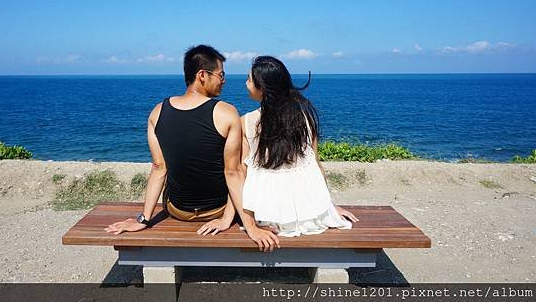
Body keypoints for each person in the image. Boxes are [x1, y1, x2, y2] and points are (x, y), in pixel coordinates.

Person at [105, 45, 279, 251]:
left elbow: (159, 168)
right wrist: (251, 227)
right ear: (202, 75)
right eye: (221, 75)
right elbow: (233, 172)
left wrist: (143, 219)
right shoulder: (226, 112)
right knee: (246, 163)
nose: (224, 80)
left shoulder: (157, 112)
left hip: (178, 210)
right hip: (218, 209)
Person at [230, 56, 357, 236]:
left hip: (266, 214)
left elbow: (240, 172)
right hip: (310, 215)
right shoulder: (305, 118)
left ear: (263, 88)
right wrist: (327, 206)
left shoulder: (247, 122)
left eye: (249, 80)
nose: (246, 84)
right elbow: (316, 165)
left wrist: (241, 221)